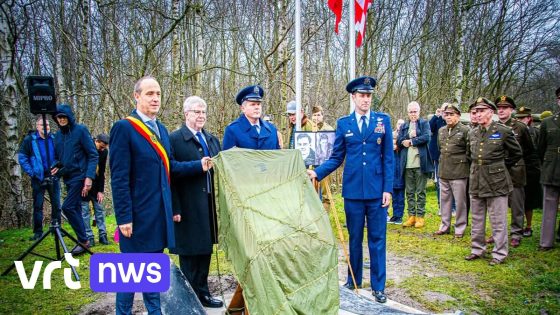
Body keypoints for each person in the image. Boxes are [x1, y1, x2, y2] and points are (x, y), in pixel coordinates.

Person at [110, 76, 212, 315]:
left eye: (157, 94)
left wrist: (199, 165)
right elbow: (119, 177)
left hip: (159, 214)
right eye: (149, 94)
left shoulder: (161, 129)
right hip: (136, 216)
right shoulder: (124, 128)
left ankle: (155, 312)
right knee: (130, 275)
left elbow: (171, 168)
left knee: (152, 271)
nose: (155, 98)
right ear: (136, 96)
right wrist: (124, 216)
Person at [307, 76, 394, 303]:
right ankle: (352, 280)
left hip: (377, 193)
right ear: (353, 97)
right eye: (362, 95)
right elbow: (337, 157)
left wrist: (388, 189)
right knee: (354, 238)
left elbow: (388, 159)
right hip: (353, 192)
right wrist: (318, 172)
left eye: (369, 95)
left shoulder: (382, 121)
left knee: (377, 239)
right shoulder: (344, 124)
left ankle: (378, 286)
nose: (366, 99)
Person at [169, 96, 223, 308]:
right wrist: (175, 207)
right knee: (190, 253)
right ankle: (188, 299)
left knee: (204, 250)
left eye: (203, 112)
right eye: (196, 112)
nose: (201, 116)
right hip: (186, 205)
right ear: (186, 114)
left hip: (208, 204)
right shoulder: (174, 139)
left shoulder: (211, 139)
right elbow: (170, 171)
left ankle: (203, 294)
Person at [465, 97, 522, 265]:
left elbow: (516, 153)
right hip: (476, 178)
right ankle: (477, 249)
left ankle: (499, 253)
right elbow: (470, 155)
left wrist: (500, 167)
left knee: (498, 220)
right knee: (477, 218)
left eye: (482, 111)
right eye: (476, 111)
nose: (478, 114)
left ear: (491, 112)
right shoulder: (473, 132)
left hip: (496, 181)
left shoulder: (503, 131)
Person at [51, 104, 98, 255]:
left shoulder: (81, 131)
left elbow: (93, 154)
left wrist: (89, 178)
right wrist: (56, 166)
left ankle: (84, 241)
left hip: (81, 175)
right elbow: (59, 158)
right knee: (76, 208)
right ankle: (84, 239)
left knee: (67, 207)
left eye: (64, 117)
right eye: (59, 117)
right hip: (67, 177)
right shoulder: (57, 136)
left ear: (69, 117)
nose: (62, 120)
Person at [495, 95, 539, 247]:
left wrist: (530, 171)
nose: (501, 111)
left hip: (516, 171)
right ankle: (498, 233)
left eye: (505, 108)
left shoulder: (520, 127)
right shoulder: (492, 126)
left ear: (512, 110)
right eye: (499, 108)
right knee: (498, 205)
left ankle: (516, 233)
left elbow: (529, 150)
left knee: (517, 204)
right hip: (498, 172)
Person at [18, 116, 61, 240]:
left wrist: (58, 166)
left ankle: (56, 229)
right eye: (43, 125)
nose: (46, 127)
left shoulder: (54, 139)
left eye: (47, 125)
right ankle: (38, 232)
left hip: (53, 176)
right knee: (38, 205)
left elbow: (60, 155)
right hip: (38, 177)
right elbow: (22, 157)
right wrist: (32, 172)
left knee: (57, 204)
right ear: (37, 126)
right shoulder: (30, 140)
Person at [434, 104, 469, 237]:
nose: (448, 117)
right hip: (444, 170)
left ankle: (459, 227)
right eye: (446, 114)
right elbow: (440, 148)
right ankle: (445, 226)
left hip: (459, 171)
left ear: (458, 116)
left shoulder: (465, 130)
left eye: (451, 114)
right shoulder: (441, 130)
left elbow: (469, 151)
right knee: (444, 201)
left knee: (460, 202)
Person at [398, 101, 434, 228]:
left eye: (415, 111)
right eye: (411, 112)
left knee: (420, 191)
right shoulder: (404, 125)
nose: (413, 114)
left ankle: (420, 216)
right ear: (408, 113)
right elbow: (399, 140)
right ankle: (411, 216)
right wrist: (405, 140)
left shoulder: (424, 123)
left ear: (419, 111)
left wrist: (413, 140)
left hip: (420, 163)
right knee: (410, 192)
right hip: (407, 164)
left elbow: (427, 137)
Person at [537, 87, 560, 251]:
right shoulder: (548, 122)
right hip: (551, 169)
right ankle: (546, 242)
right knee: (549, 207)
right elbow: (541, 148)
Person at [222, 85, 280, 150]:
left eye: (258, 104)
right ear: (243, 108)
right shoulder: (233, 130)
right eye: (253, 104)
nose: (257, 107)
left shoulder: (271, 129)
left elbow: (277, 156)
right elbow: (228, 158)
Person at [515, 106, 542, 237]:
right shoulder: (514, 131)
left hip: (531, 169)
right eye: (518, 118)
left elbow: (539, 151)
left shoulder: (535, 132)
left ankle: (529, 225)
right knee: (517, 200)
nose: (521, 120)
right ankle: (517, 226)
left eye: (523, 118)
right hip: (516, 168)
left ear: (529, 118)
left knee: (528, 201)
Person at [80, 134, 110, 246]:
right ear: (96, 141)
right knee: (85, 211)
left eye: (104, 148)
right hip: (84, 185)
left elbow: (101, 171)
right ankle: (89, 236)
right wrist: (83, 185)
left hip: (96, 186)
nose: (102, 149)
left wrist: (101, 190)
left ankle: (103, 235)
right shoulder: (86, 148)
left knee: (99, 210)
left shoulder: (104, 152)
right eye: (101, 147)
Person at [429, 103, 447, 214]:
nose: (445, 113)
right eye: (444, 110)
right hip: (437, 157)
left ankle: (453, 207)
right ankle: (442, 207)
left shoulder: (452, 122)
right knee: (440, 183)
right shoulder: (437, 120)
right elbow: (429, 127)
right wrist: (436, 115)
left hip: (450, 158)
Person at [388, 119, 405, 224]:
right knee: (393, 194)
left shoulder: (404, 137)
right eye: (398, 123)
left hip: (401, 171)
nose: (400, 125)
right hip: (392, 172)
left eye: (402, 124)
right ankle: (394, 215)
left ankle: (399, 215)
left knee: (400, 195)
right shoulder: (391, 135)